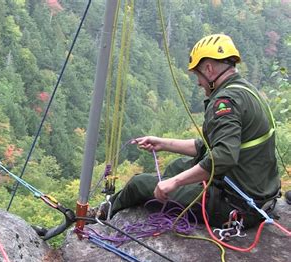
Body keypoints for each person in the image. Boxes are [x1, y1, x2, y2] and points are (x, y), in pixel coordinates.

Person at [90, 34, 281, 228]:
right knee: (176, 166)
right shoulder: (246, 90)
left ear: (208, 69)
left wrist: (174, 183)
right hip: (256, 192)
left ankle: (99, 217)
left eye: (198, 74)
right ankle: (160, 192)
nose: (198, 82)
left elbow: (223, 155)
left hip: (233, 205)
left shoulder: (225, 102)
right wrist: (163, 143)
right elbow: (208, 147)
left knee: (138, 184)